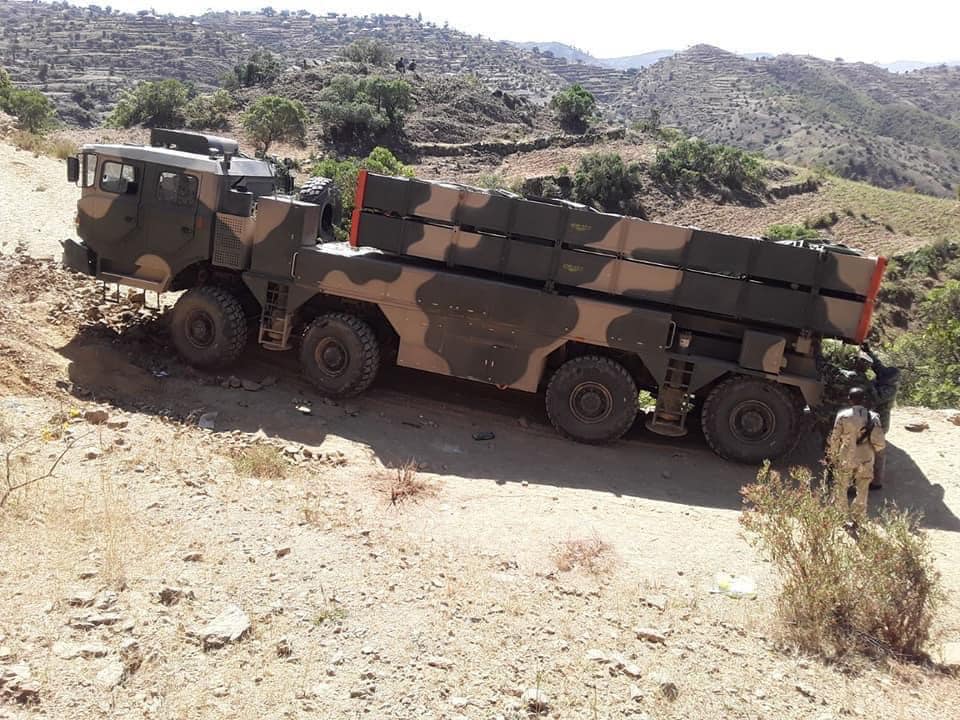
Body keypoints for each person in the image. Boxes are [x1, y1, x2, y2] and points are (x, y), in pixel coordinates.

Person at [827, 387, 886, 515]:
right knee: (863, 488)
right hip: (865, 456)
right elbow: (879, 441)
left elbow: (835, 438)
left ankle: (841, 513)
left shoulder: (842, 416)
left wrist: (833, 455)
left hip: (846, 454)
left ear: (849, 400)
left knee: (841, 486)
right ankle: (858, 516)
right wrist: (875, 450)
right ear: (864, 400)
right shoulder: (873, 417)